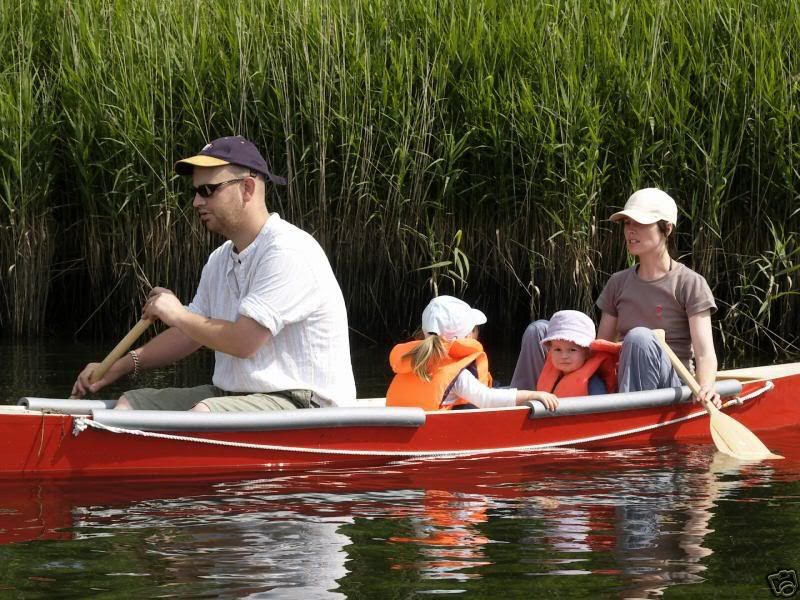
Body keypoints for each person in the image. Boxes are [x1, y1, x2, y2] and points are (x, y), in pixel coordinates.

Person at [72, 135, 356, 411]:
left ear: (247, 188)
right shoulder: (219, 259)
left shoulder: (288, 251)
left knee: (203, 415)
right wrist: (119, 366)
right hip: (233, 395)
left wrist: (178, 314)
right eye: (195, 192)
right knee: (131, 404)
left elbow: (244, 342)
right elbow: (190, 334)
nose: (197, 202)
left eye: (207, 190)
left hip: (304, 403)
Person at [512, 188, 720, 408]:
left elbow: (705, 353)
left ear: (667, 228)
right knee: (539, 330)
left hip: (670, 386)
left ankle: (629, 417)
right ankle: (521, 406)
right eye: (627, 223)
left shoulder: (690, 283)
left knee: (639, 337)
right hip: (620, 380)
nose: (630, 231)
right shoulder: (618, 282)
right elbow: (602, 347)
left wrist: (706, 386)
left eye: (640, 223)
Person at [385, 295, 559, 411]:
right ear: (466, 336)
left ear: (424, 332)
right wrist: (533, 395)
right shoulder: (458, 374)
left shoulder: (414, 362)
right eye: (474, 329)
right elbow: (487, 399)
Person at [536, 310, 620, 397]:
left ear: (587, 352)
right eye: (557, 350)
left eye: (572, 350)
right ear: (550, 350)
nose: (564, 356)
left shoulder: (593, 384)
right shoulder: (551, 375)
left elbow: (602, 409)